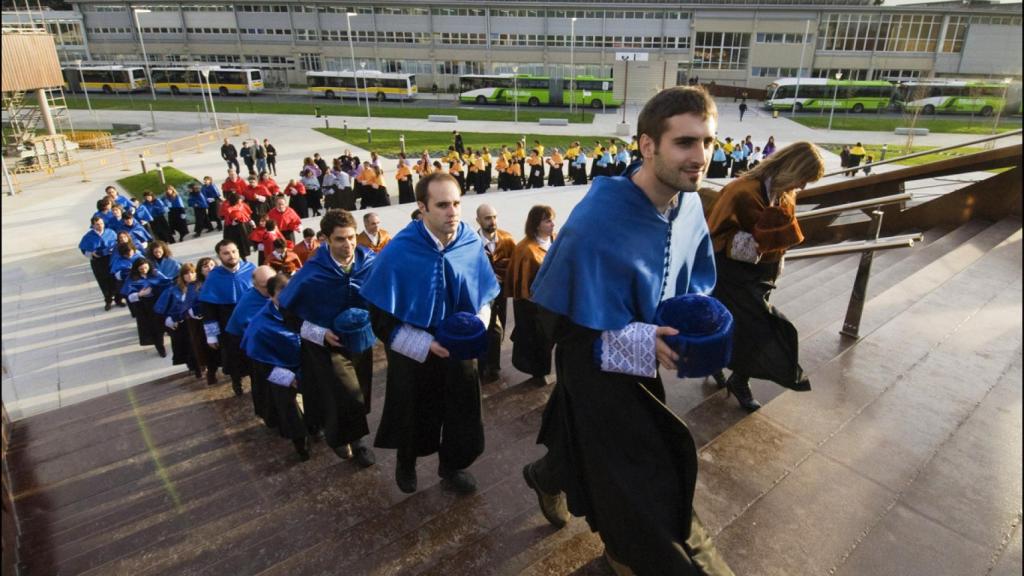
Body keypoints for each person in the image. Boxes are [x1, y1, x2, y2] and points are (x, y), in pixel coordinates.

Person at [521, 86, 733, 575]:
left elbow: (690, 276)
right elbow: (557, 324)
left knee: (583, 443)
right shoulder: (594, 222)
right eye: (685, 142)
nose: (700, 156)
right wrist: (636, 338)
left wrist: (694, 319)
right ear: (647, 146)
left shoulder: (690, 204)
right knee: (643, 483)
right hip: (593, 369)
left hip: (645, 362)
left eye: (708, 141)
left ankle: (545, 476)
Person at [360, 172, 500, 495]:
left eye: (456, 204)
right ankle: (406, 461)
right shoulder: (399, 251)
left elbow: (485, 291)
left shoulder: (469, 241)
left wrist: (478, 321)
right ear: (422, 207)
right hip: (417, 351)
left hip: (459, 347)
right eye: (442, 205)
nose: (452, 212)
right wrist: (424, 343)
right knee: (414, 411)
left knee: (461, 411)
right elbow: (380, 316)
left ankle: (451, 466)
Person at [707, 141, 824, 411]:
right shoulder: (741, 191)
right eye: (803, 180)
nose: (802, 188)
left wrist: (776, 262)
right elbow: (713, 233)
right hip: (733, 276)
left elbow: (781, 237)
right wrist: (753, 243)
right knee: (764, 328)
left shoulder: (785, 194)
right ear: (793, 169)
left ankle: (729, 371)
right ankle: (736, 378)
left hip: (762, 277)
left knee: (745, 329)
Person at [279, 209, 378, 467]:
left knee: (361, 389)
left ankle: (351, 434)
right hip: (326, 344)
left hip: (360, 339)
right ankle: (351, 440)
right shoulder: (311, 273)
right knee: (345, 392)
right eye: (340, 240)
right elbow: (288, 313)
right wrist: (320, 334)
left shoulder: (368, 261)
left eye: (351, 238)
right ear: (325, 239)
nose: (348, 245)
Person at [242, 272, 311, 461]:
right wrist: (288, 378)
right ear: (271, 295)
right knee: (290, 411)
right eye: (281, 292)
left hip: (307, 366)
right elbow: (260, 361)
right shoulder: (260, 325)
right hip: (281, 373)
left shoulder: (303, 309)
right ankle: (300, 443)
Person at [199, 240, 257, 396]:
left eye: (234, 251)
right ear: (219, 256)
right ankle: (236, 383)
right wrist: (211, 335)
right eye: (226, 253)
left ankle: (257, 384)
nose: (231, 256)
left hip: (252, 321)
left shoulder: (251, 269)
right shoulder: (214, 277)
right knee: (234, 356)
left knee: (255, 355)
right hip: (227, 322)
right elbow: (208, 309)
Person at [507, 205, 556, 386]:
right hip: (534, 304)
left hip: (554, 300)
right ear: (536, 224)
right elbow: (521, 283)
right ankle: (539, 372)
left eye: (552, 219)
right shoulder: (525, 249)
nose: (552, 224)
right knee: (537, 340)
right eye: (547, 220)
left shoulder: (555, 239)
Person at [224, 264, 275, 412]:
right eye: (266, 286)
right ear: (256, 286)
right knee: (258, 376)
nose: (271, 289)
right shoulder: (249, 301)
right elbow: (253, 331)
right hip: (243, 340)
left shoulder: (276, 289)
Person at [475, 204, 516, 382]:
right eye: (487, 218)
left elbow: (515, 264)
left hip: (501, 293)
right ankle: (481, 365)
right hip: (480, 295)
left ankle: (494, 365)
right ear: (478, 220)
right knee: (482, 327)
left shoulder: (507, 239)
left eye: (494, 217)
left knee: (499, 328)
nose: (493, 222)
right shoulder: (472, 242)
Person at [154, 263, 201, 375]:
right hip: (181, 324)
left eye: (192, 272)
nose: (190, 275)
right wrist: (169, 318)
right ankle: (194, 367)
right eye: (186, 273)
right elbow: (161, 307)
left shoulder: (200, 286)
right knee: (188, 346)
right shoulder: (173, 290)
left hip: (197, 321)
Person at [122, 258, 171, 357]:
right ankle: (160, 346)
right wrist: (140, 294)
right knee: (154, 327)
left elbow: (166, 282)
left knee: (165, 322)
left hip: (159, 301)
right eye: (141, 268)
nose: (144, 270)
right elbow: (130, 297)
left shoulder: (155, 273)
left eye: (145, 267)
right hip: (145, 306)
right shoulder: (132, 279)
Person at [187, 257, 221, 385]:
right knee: (210, 349)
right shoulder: (194, 285)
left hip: (222, 317)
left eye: (212, 265)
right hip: (204, 321)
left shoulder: (222, 281)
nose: (210, 268)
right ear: (200, 270)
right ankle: (211, 372)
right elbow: (190, 304)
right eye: (206, 266)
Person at [79, 215, 118, 310]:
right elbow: (84, 250)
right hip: (98, 261)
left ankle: (118, 298)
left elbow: (117, 243)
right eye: (97, 224)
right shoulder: (88, 237)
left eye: (101, 223)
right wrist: (92, 254)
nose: (100, 226)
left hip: (111, 259)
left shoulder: (111, 232)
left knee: (114, 279)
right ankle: (108, 300)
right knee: (103, 281)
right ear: (93, 225)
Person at [221, 192, 254, 261]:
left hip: (245, 225)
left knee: (247, 240)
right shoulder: (229, 209)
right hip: (235, 229)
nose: (241, 200)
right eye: (239, 199)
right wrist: (233, 222)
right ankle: (243, 257)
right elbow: (227, 220)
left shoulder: (243, 205)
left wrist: (250, 220)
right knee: (239, 243)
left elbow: (247, 214)